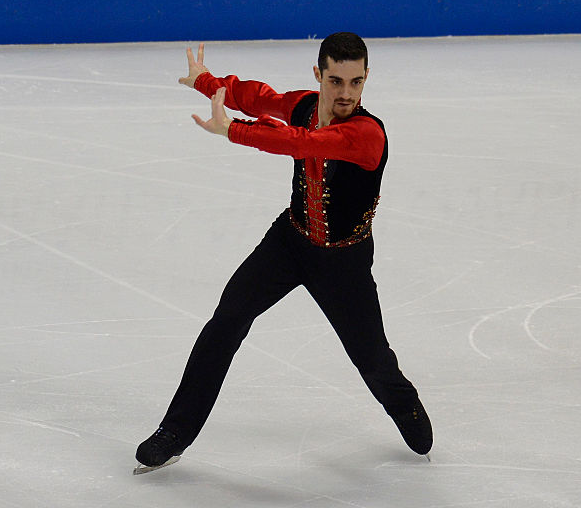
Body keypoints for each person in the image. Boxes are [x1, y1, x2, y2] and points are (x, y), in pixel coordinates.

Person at [135, 32, 432, 470]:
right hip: (289, 242)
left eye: (355, 82)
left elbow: (302, 143)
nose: (345, 92)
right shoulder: (306, 105)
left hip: (343, 263)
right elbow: (259, 98)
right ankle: (175, 431)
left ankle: (403, 405)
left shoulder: (366, 135)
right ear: (319, 75)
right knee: (226, 321)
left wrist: (232, 131)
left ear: (367, 78)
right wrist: (206, 82)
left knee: (372, 358)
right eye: (335, 81)